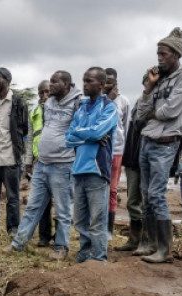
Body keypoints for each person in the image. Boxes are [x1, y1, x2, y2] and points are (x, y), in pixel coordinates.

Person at [134, 27, 182, 263]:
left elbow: (171, 111)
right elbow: (141, 112)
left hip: (166, 143)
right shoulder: (157, 79)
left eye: (164, 54)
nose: (159, 58)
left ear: (176, 55)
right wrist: (148, 88)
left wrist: (152, 113)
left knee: (157, 195)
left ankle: (165, 249)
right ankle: (149, 243)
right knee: (146, 194)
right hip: (147, 140)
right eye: (158, 54)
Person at [7, 71, 82, 259]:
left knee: (62, 210)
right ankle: (18, 243)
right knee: (33, 206)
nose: (50, 85)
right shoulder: (49, 103)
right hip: (42, 163)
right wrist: (32, 160)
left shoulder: (77, 103)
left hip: (63, 164)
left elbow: (80, 130)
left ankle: (61, 248)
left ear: (66, 84)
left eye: (54, 82)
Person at [66, 67, 118, 263]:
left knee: (97, 219)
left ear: (102, 85)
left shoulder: (109, 108)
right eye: (84, 80)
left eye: (89, 81)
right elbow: (68, 138)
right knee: (80, 220)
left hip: (97, 170)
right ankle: (84, 255)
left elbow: (98, 133)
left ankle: (98, 259)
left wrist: (84, 133)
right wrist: (90, 136)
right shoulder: (81, 109)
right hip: (78, 170)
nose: (85, 85)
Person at [0, 67, 28, 235]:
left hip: (10, 157)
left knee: (13, 196)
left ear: (7, 80)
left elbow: (24, 129)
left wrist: (20, 152)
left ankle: (13, 229)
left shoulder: (18, 102)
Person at [25, 80, 55, 247]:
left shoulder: (60, 111)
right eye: (41, 93)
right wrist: (28, 162)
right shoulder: (34, 112)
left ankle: (59, 237)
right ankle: (44, 236)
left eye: (47, 92)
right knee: (41, 201)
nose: (44, 96)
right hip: (39, 161)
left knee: (60, 201)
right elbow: (30, 139)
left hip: (57, 162)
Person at [113, 100, 146, 252]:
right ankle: (134, 239)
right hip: (133, 159)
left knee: (149, 203)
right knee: (132, 201)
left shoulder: (162, 101)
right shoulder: (138, 103)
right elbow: (129, 132)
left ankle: (148, 241)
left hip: (150, 160)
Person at [104, 67, 131, 237]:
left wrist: (126, 153)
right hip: (99, 150)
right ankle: (96, 225)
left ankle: (109, 228)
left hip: (116, 151)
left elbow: (126, 128)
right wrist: (107, 100)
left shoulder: (124, 101)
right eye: (105, 80)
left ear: (116, 81)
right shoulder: (97, 100)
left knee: (112, 190)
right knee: (98, 187)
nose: (107, 84)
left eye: (110, 81)